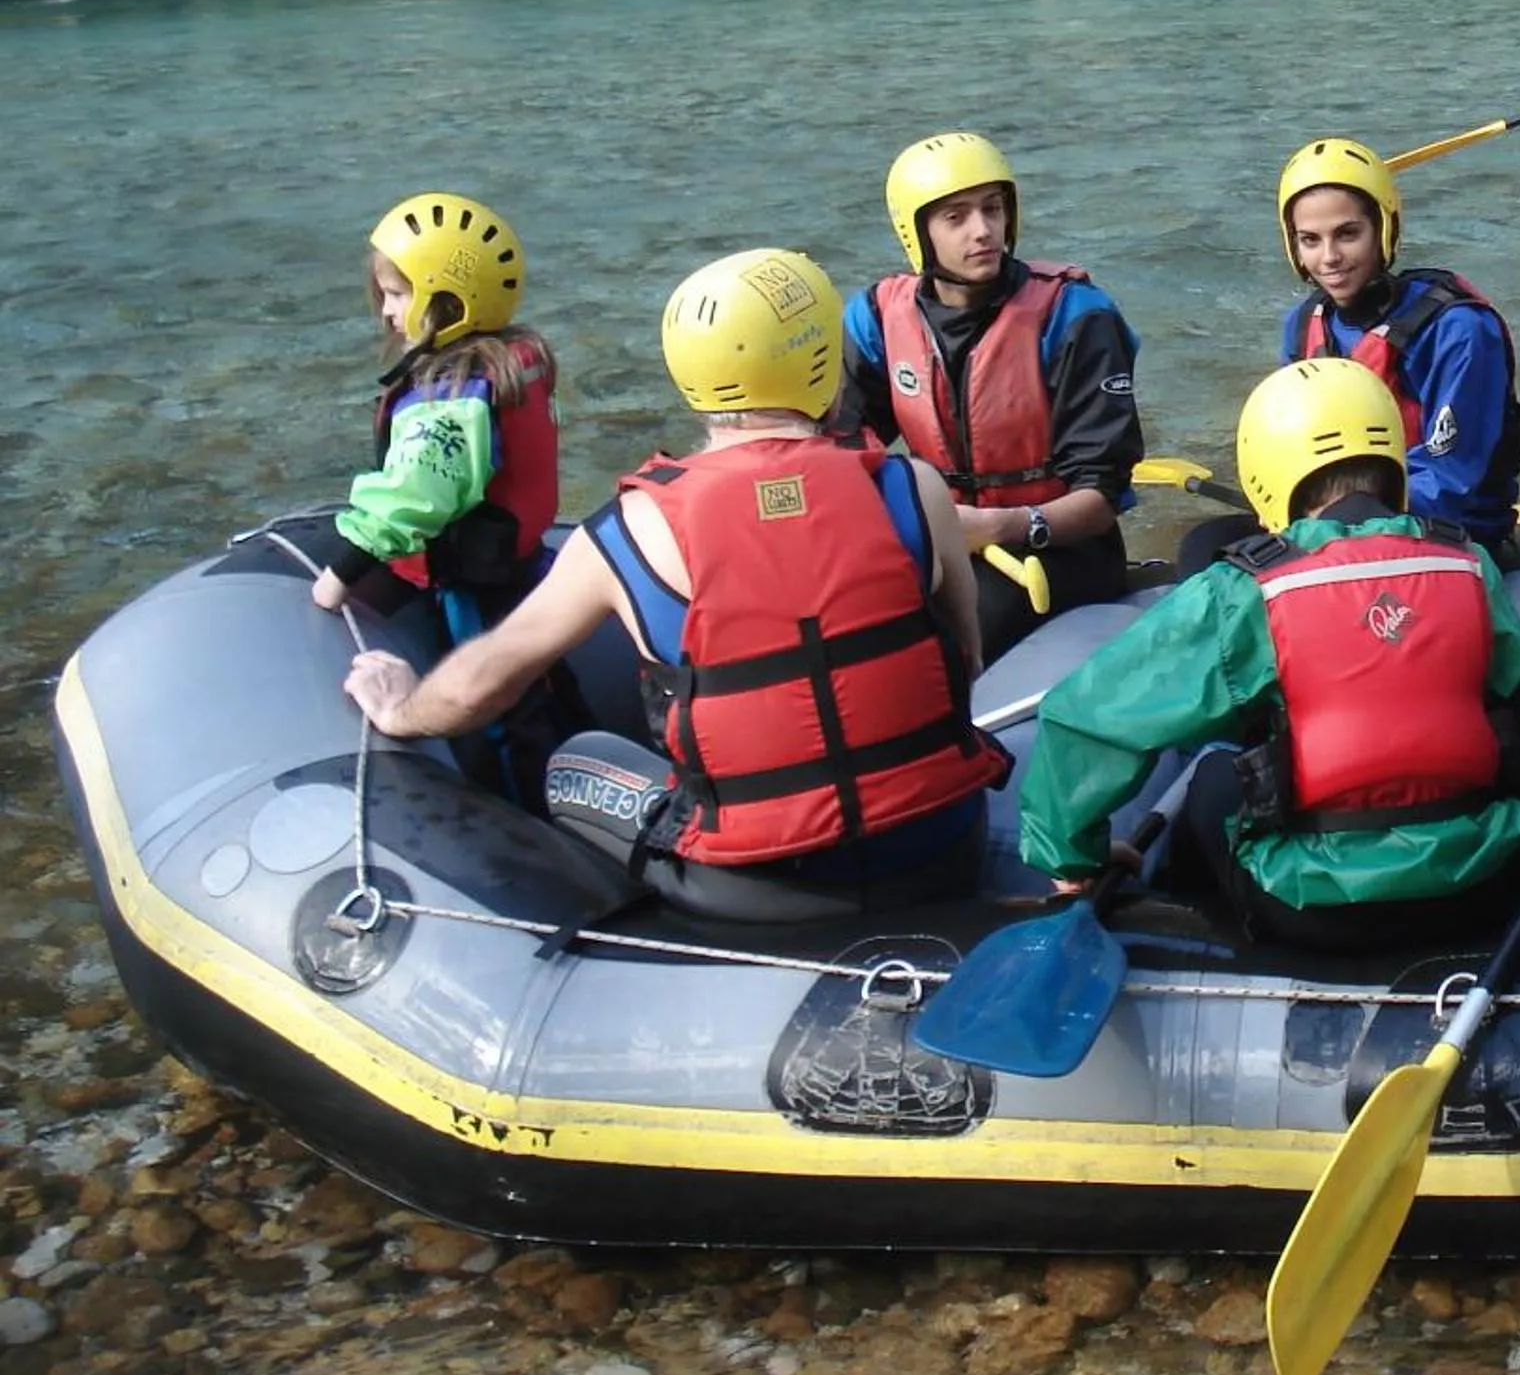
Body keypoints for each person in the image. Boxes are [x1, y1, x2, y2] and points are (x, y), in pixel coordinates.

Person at [344, 249, 1007, 921]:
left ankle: (611, 934)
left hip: (755, 891)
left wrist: (401, 710)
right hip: (943, 850)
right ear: (823, 364)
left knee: (576, 758)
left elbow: (479, 685)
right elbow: (965, 658)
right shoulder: (915, 489)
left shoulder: (631, 528)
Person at [1020, 359, 1520, 953]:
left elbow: (1086, 722)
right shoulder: (1468, 563)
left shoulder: (1243, 590)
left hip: (1310, 906)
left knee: (1213, 775)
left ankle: (1189, 925)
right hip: (1482, 884)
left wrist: (1073, 860)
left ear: (1265, 473)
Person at [836, 132, 1142, 654]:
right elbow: (843, 454)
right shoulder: (877, 318)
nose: (982, 231)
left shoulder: (1075, 316)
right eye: (956, 217)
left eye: (992, 209)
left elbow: (1100, 497)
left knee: (945, 638)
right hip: (942, 536)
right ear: (917, 233)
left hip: (1056, 547)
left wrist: (999, 526)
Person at [306, 193, 560, 641]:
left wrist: (338, 579)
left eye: (396, 295)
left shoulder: (452, 402)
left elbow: (415, 495)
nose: (386, 311)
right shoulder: (512, 362)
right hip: (518, 568)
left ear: (449, 303)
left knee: (483, 683)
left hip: (473, 592)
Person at [1276, 137, 1520, 550]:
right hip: (1336, 529)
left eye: (1347, 234)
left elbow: (1451, 480)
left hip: (1442, 536)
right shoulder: (1303, 324)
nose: (1329, 257)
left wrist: (1338, 524)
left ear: (1384, 228)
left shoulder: (1459, 331)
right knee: (1207, 542)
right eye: (1310, 240)